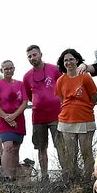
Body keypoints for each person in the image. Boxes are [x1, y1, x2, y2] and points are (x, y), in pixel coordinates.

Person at [55, 49, 97, 181]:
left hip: (85, 119)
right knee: (70, 153)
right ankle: (73, 180)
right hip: (66, 120)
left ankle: (87, 180)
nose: (68, 62)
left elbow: (94, 97)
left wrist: (85, 107)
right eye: (66, 60)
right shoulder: (61, 80)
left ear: (77, 60)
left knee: (86, 152)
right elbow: (62, 100)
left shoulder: (85, 77)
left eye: (71, 59)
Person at [24, 45, 64, 180]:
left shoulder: (55, 69)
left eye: (34, 55)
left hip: (57, 115)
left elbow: (64, 86)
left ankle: (67, 174)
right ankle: (44, 176)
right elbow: (29, 96)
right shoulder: (27, 76)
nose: (32, 58)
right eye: (29, 56)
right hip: (38, 117)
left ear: (41, 54)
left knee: (61, 146)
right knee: (41, 148)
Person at [0, 60, 28, 182]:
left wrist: (14, 115)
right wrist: (7, 117)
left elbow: (24, 102)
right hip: (2, 119)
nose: (8, 71)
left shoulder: (20, 84)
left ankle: (13, 176)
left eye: (11, 68)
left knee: (16, 148)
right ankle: (6, 176)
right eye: (6, 69)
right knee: (8, 147)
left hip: (18, 119)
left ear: (14, 69)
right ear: (1, 70)